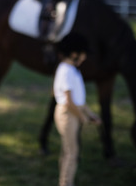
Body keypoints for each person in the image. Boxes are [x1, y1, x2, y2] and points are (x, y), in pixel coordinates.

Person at [53, 32, 101, 186]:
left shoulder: (72, 70)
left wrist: (90, 114)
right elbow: (69, 101)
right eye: (83, 54)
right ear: (74, 53)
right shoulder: (66, 70)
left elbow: (79, 101)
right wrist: (82, 117)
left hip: (73, 112)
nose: (84, 57)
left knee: (68, 150)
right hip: (68, 114)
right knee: (72, 153)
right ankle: (66, 183)